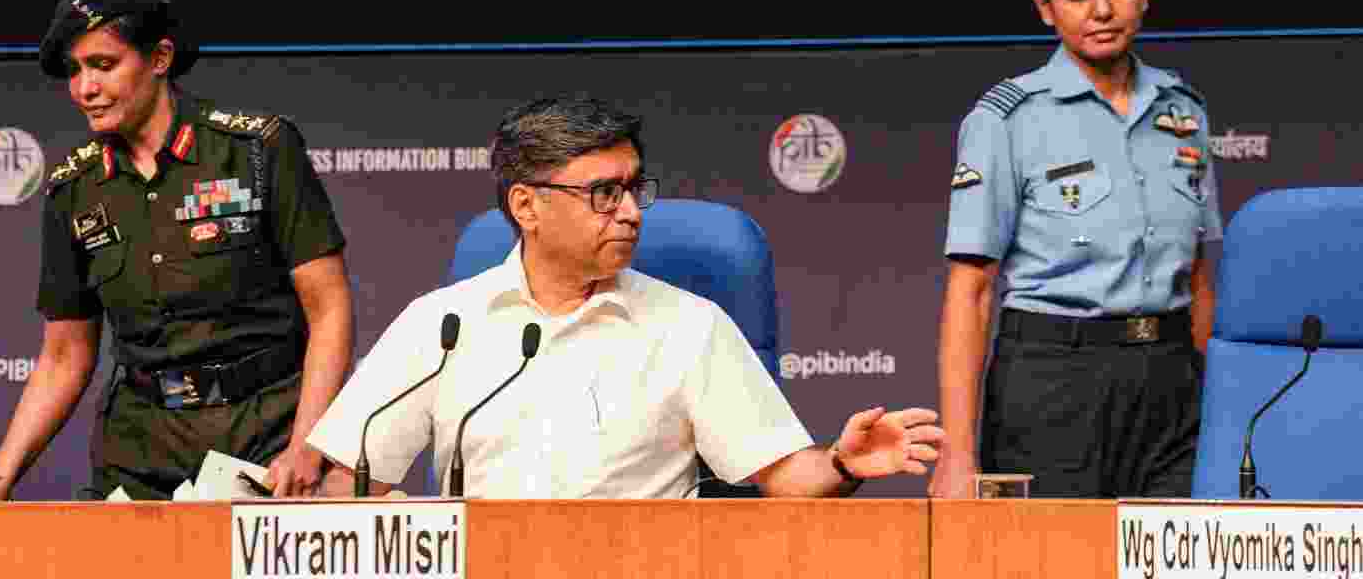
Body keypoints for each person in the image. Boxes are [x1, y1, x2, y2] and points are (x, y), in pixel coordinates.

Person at [307, 96, 943, 498]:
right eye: (604, 194)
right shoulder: (441, 325)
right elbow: (351, 483)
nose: (632, 212)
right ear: (526, 205)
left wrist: (843, 462)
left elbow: (785, 477)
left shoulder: (690, 326)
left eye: (636, 189)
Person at [0, 0, 354, 500]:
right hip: (139, 454)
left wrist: (308, 444)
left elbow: (329, 307)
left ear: (159, 58)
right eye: (75, 69)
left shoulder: (258, 149)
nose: (85, 87)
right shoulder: (73, 189)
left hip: (266, 439)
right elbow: (64, 354)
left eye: (103, 65)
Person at [928, 0, 1222, 500]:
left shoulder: (1184, 112)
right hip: (1052, 380)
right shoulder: (1006, 119)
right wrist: (957, 455)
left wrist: (1220, 408)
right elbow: (972, 291)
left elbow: (1197, 277)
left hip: (1171, 384)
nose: (1101, 9)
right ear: (1045, 5)